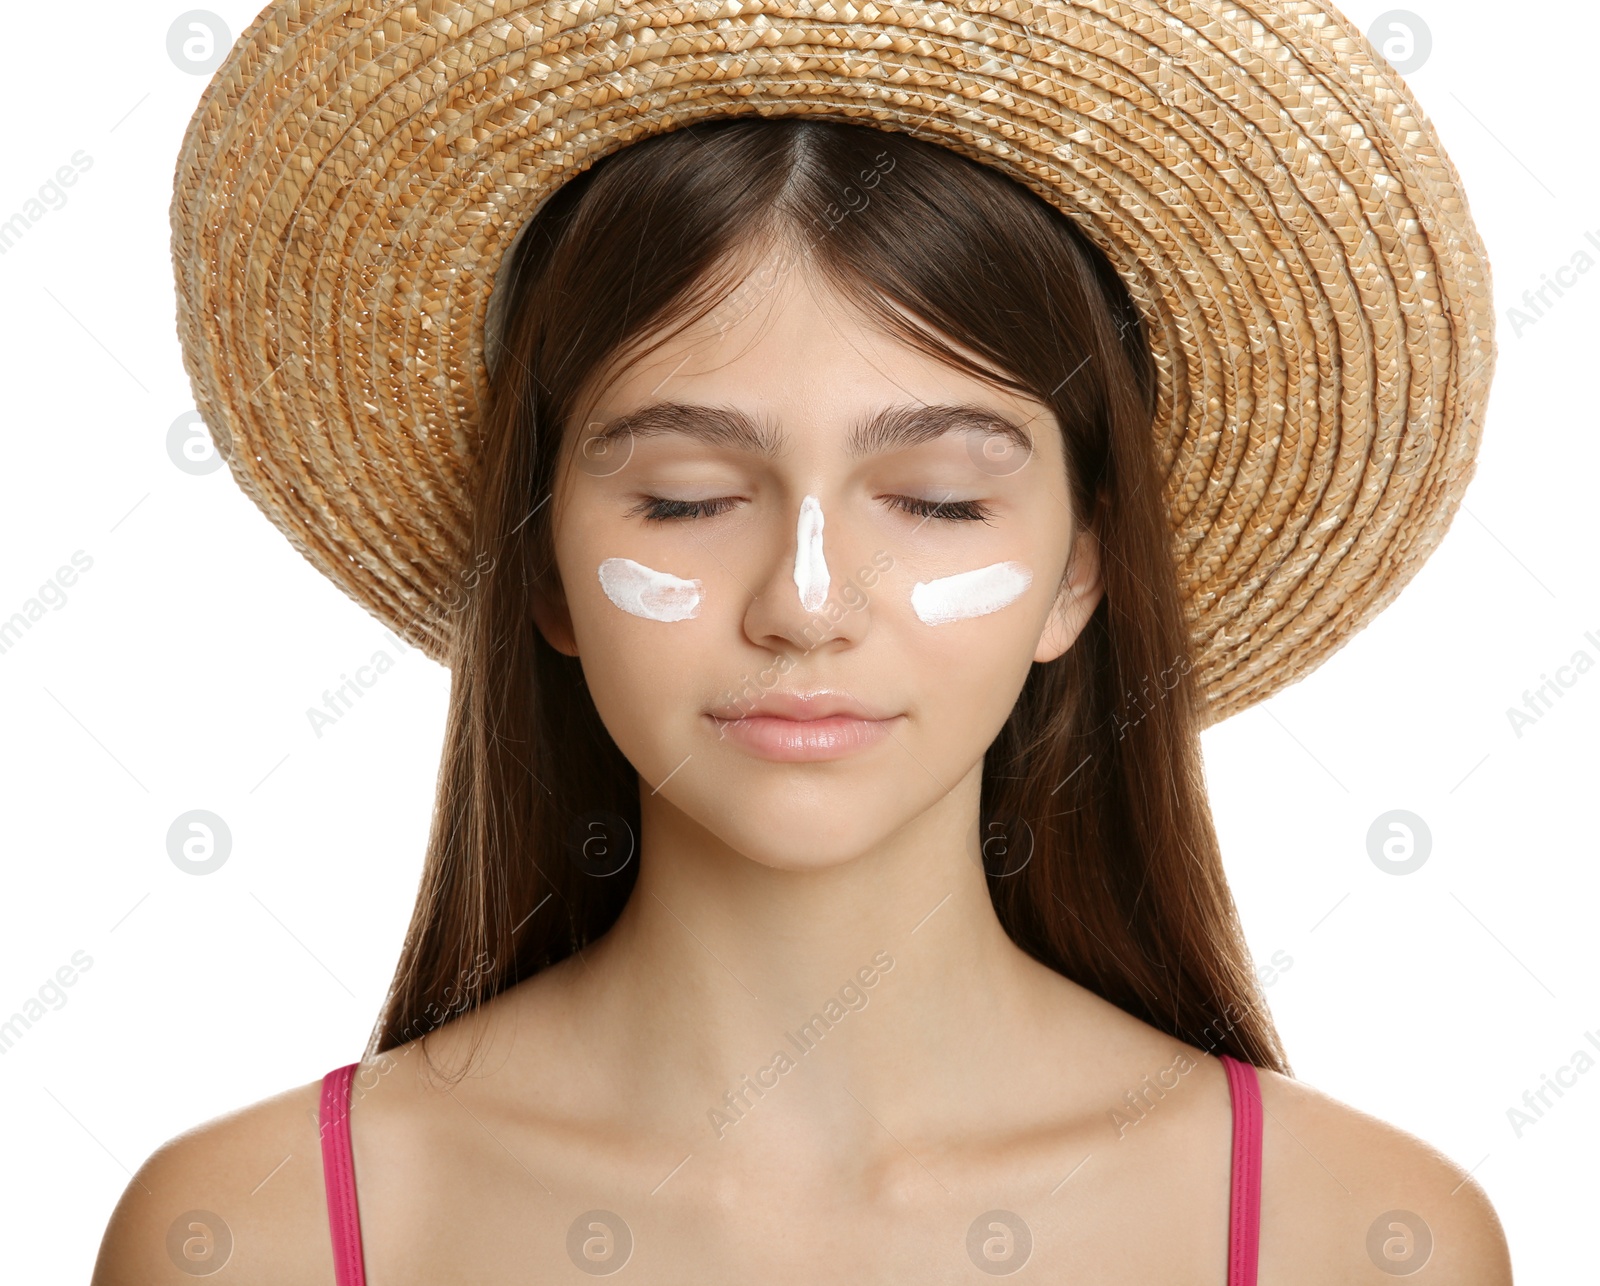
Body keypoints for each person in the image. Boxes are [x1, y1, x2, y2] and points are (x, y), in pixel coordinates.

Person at [95, 4, 1509, 1282]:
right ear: (543, 567)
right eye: (689, 498)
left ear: (1081, 571)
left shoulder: (1364, 1238)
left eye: (943, 499)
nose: (808, 601)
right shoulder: (250, 1234)